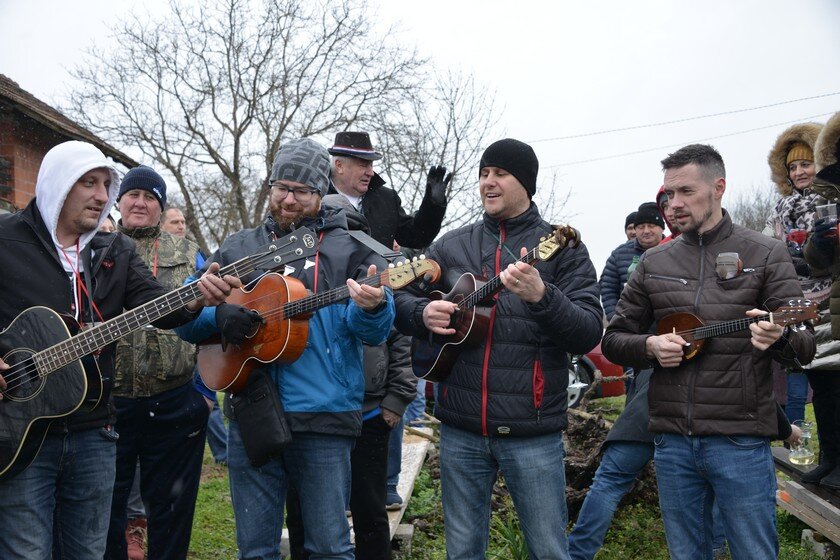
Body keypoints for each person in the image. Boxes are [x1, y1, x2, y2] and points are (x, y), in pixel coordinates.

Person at [0, 141, 238, 560]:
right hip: (20, 432)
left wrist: (198, 297)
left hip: (95, 429)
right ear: (57, 184)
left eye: (105, 184)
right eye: (88, 183)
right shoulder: (6, 240)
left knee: (88, 551)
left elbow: (161, 308)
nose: (100, 194)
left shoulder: (112, 250)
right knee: (27, 551)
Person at [177, 137, 396, 560]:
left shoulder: (351, 245)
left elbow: (372, 332)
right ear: (270, 186)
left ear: (321, 193)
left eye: (303, 190)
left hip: (324, 413)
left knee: (329, 547)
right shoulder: (239, 247)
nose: (290, 198)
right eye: (282, 187)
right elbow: (186, 316)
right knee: (255, 550)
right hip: (252, 408)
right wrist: (218, 317)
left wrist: (372, 308)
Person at [602, 143, 815, 560]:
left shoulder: (766, 252)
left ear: (718, 187)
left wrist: (781, 338)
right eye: (668, 194)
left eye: (686, 192)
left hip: (740, 440)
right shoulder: (653, 261)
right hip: (672, 442)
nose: (674, 204)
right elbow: (613, 340)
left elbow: (805, 344)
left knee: (755, 553)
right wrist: (648, 345)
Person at [395, 138, 603, 558]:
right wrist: (423, 314)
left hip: (533, 430)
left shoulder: (561, 248)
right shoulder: (451, 244)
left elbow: (587, 332)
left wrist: (542, 296)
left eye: (500, 174)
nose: (488, 183)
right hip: (460, 427)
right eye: (483, 173)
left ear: (526, 183)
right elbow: (399, 299)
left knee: (548, 549)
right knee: (463, 550)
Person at [286, 194, 417, 560]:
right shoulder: (306, 269)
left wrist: (396, 400)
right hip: (323, 414)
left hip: (372, 412)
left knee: (370, 508)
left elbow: (401, 341)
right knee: (305, 510)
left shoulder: (372, 268)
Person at [329, 130, 451, 508]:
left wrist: (433, 205)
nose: (370, 170)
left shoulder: (383, 199)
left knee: (388, 391)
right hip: (331, 303)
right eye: (363, 163)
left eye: (372, 163)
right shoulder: (314, 198)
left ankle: (385, 484)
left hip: (383, 299)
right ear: (339, 164)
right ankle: (340, 488)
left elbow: (414, 233)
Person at [103, 166, 215, 560]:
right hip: (109, 403)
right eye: (133, 195)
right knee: (107, 509)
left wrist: (203, 394)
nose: (140, 203)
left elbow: (211, 316)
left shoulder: (186, 251)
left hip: (173, 400)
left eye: (151, 198)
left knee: (171, 509)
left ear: (160, 207)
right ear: (118, 202)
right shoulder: (95, 246)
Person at [765, 123, 827, 427]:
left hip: (832, 299)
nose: (799, 172)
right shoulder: (779, 208)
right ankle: (800, 434)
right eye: (792, 166)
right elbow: (767, 244)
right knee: (800, 366)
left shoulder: (831, 200)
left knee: (831, 378)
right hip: (796, 297)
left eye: (806, 163)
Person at [802, 110, 840, 489]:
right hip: (829, 303)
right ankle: (831, 458)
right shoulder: (829, 197)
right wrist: (819, 242)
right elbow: (816, 265)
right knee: (826, 384)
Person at [599, 202, 664, 321]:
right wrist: (616, 319)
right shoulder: (619, 254)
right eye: (641, 227)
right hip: (630, 325)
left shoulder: (676, 249)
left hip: (669, 323)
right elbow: (607, 288)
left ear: (662, 227)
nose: (646, 231)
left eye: (651, 225)